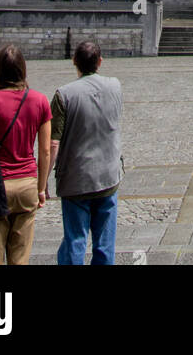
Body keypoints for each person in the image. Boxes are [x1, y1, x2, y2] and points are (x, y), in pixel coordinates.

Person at [0, 44, 51, 266]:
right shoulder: (40, 100)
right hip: (27, 184)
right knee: (20, 259)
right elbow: (45, 151)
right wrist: (41, 188)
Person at [48, 40, 122, 267]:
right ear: (100, 62)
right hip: (109, 176)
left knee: (75, 240)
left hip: (76, 180)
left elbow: (52, 143)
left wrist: (43, 181)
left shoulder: (63, 95)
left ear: (74, 62)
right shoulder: (115, 85)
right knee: (105, 245)